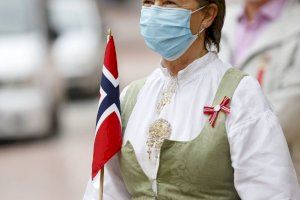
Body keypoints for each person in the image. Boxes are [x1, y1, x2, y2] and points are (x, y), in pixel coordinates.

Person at [84, 0, 300, 199]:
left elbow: (272, 192)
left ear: (207, 14)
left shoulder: (241, 94)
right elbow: (106, 190)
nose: (156, 12)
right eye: (149, 2)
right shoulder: (131, 96)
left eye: (169, 3)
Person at [219, 0, 300, 179]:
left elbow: (292, 105)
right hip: (218, 176)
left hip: (277, 173)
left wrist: (212, 139)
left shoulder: (296, 23)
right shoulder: (218, 18)